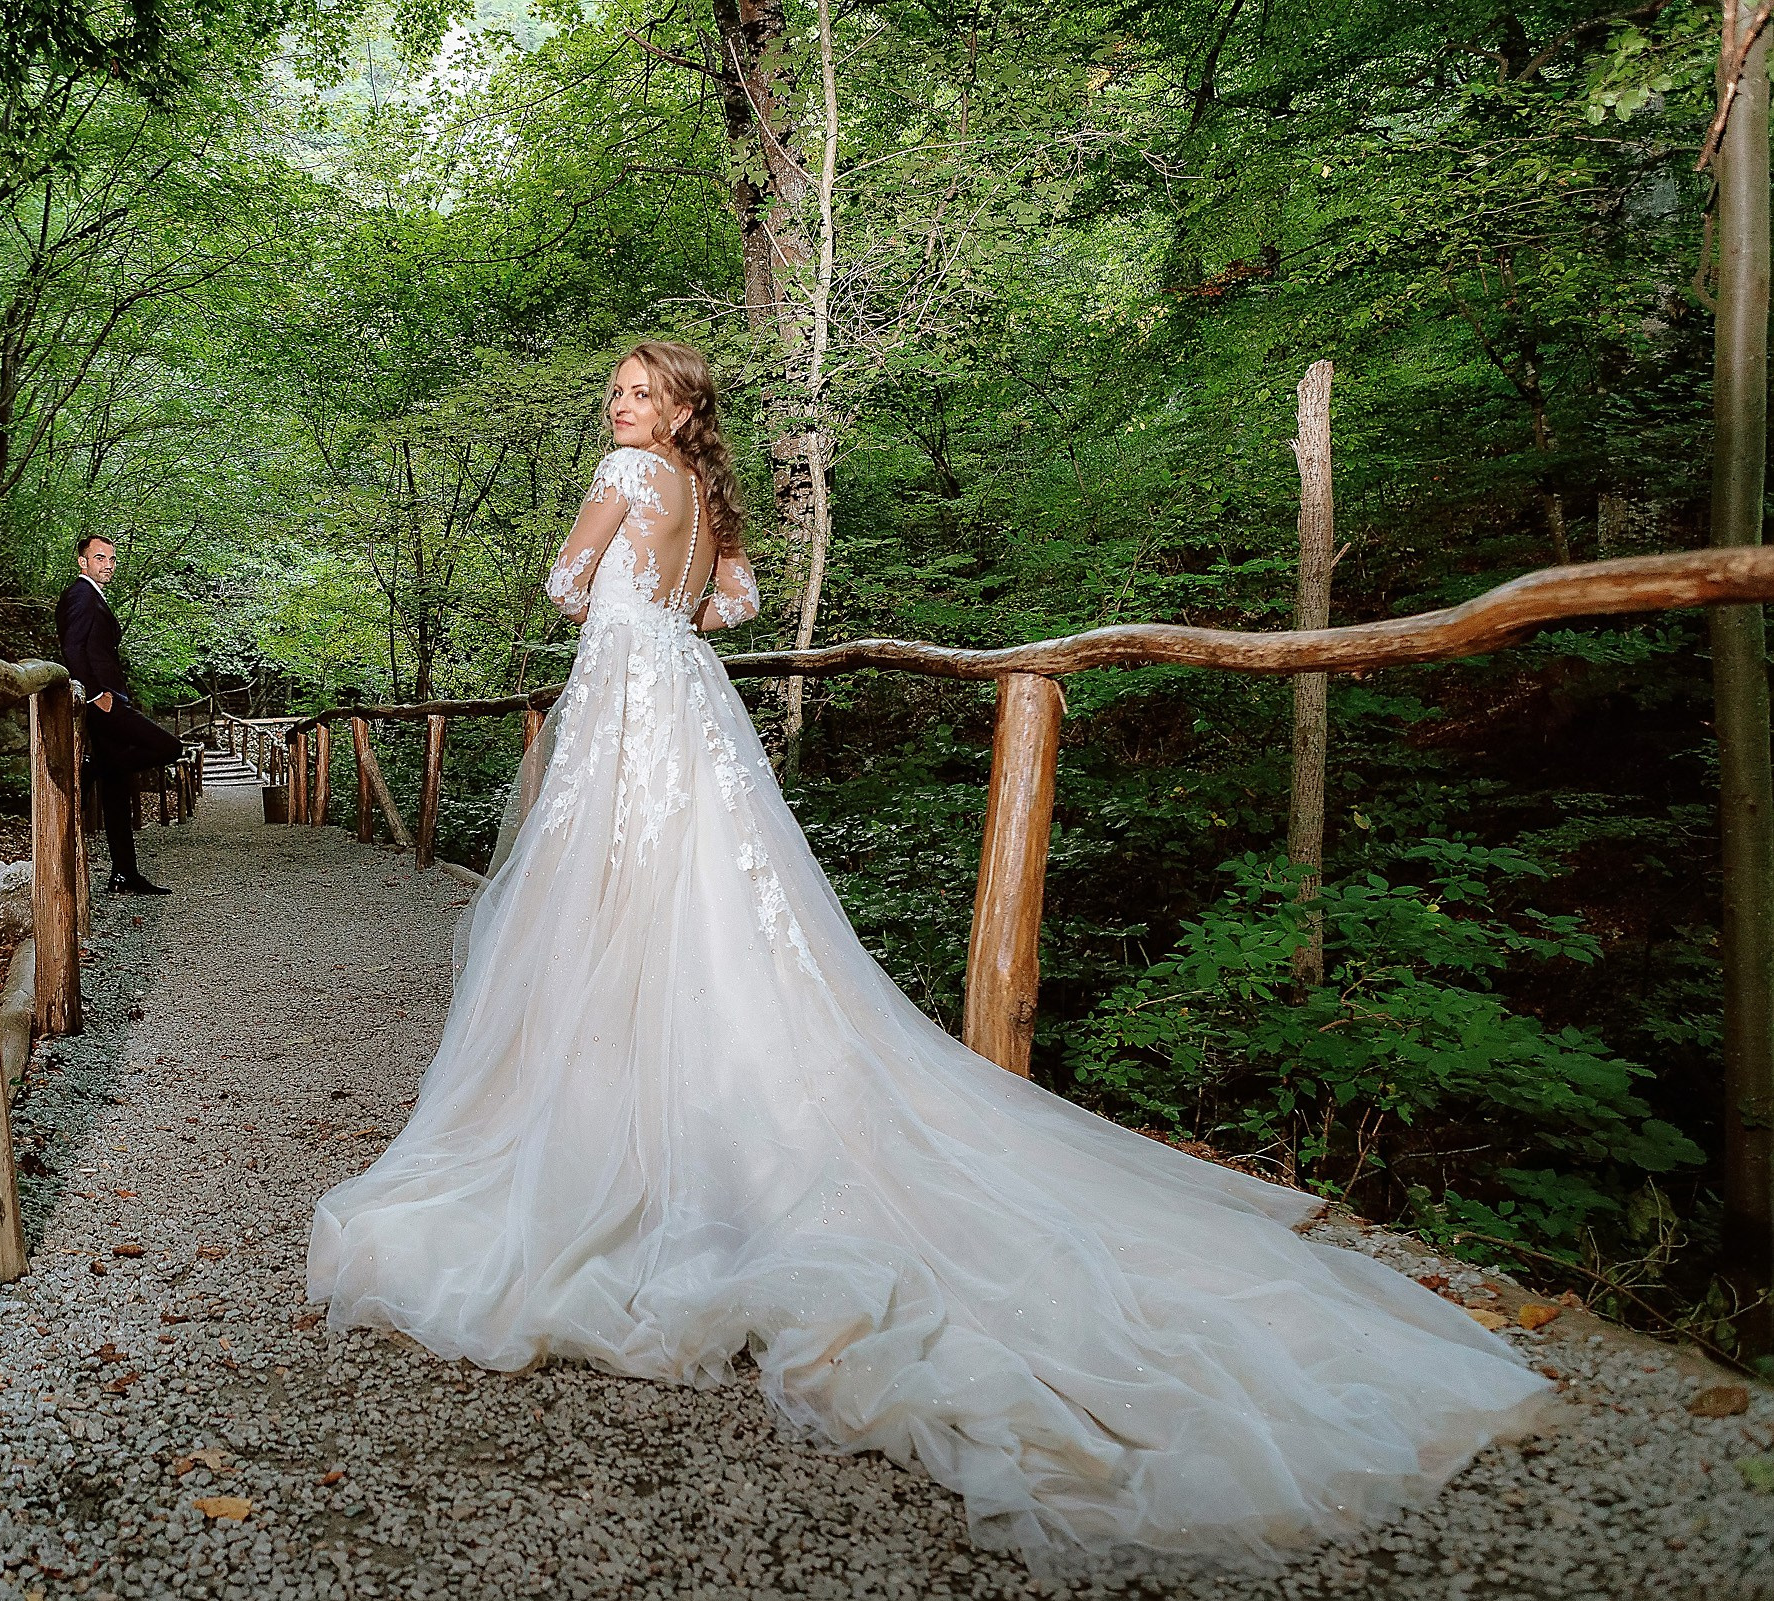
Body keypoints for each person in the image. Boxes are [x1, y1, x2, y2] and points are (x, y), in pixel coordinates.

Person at [305, 341, 1550, 1577]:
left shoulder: (625, 473)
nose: (619, 407)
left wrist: (610, 584)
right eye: (615, 395)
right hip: (690, 697)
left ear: (677, 408)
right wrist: (667, 600)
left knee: (617, 906)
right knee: (714, 912)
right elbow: (729, 604)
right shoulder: (709, 500)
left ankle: (619, 1121)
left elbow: (564, 586)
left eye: (638, 393)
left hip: (631, 699)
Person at [55, 533, 182, 895]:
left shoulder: (93, 596)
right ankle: (96, 767)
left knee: (116, 792)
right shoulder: (80, 596)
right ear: (83, 562)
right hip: (103, 701)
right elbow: (72, 649)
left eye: (111, 559)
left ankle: (124, 873)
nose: (107, 565)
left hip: (110, 697)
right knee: (169, 747)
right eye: (99, 558)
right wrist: (96, 695)